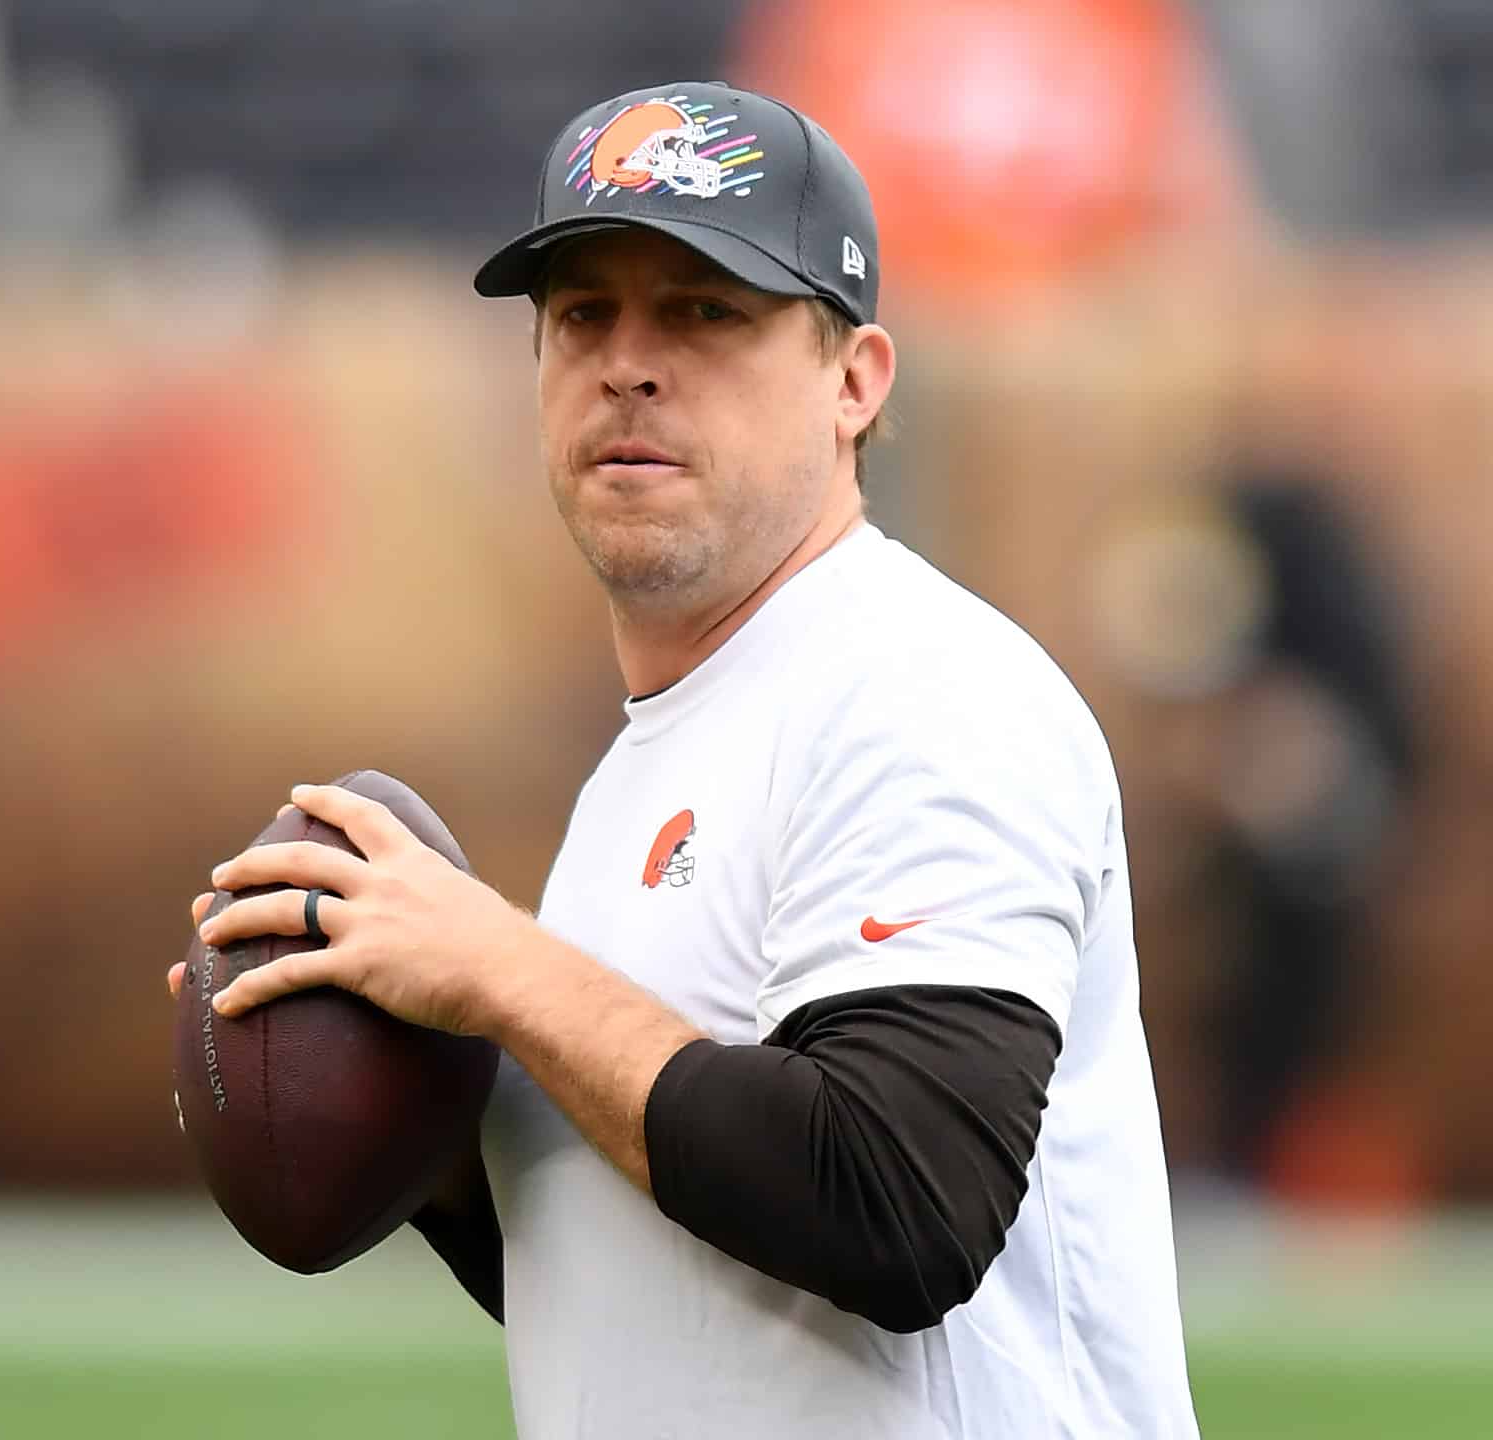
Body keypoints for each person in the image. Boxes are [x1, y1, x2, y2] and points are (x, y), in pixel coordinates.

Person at [168, 82, 1199, 1438]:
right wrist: (403, 1125)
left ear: (855, 380)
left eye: (706, 310)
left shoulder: (925, 690)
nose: (629, 360)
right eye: (583, 313)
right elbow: (680, 1306)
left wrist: (496, 969)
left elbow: (898, 1211)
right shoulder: (663, 757)